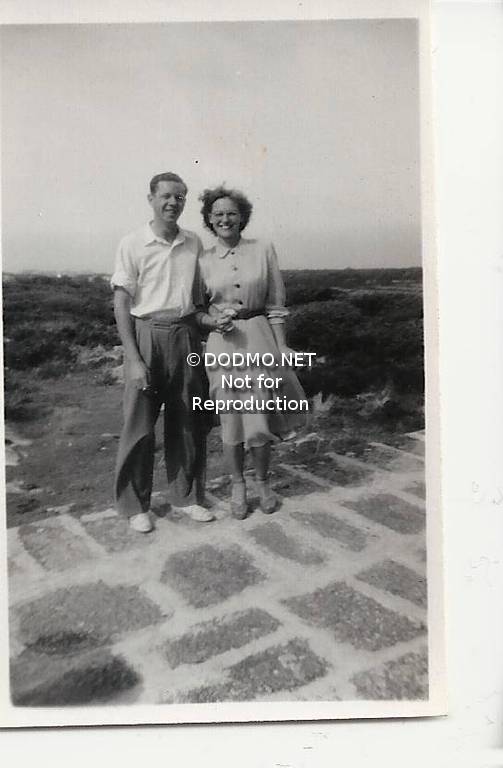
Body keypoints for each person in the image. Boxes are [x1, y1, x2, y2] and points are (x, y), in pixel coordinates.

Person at [111, 171, 214, 533]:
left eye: (180, 197)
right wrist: (133, 358)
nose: (173, 202)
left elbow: (200, 299)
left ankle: (186, 496)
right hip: (147, 335)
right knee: (139, 426)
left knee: (188, 421)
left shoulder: (193, 242)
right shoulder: (132, 243)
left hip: (185, 335)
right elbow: (121, 303)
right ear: (151, 199)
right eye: (166, 196)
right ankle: (134, 505)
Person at [196, 185, 307, 519]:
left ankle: (262, 483)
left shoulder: (263, 250)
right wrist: (213, 319)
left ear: (242, 217)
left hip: (259, 337)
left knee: (258, 413)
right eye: (218, 214)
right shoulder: (202, 259)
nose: (225, 219)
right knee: (231, 417)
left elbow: (275, 304)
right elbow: (197, 307)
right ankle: (237, 485)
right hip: (222, 343)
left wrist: (281, 345)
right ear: (209, 220)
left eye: (232, 213)